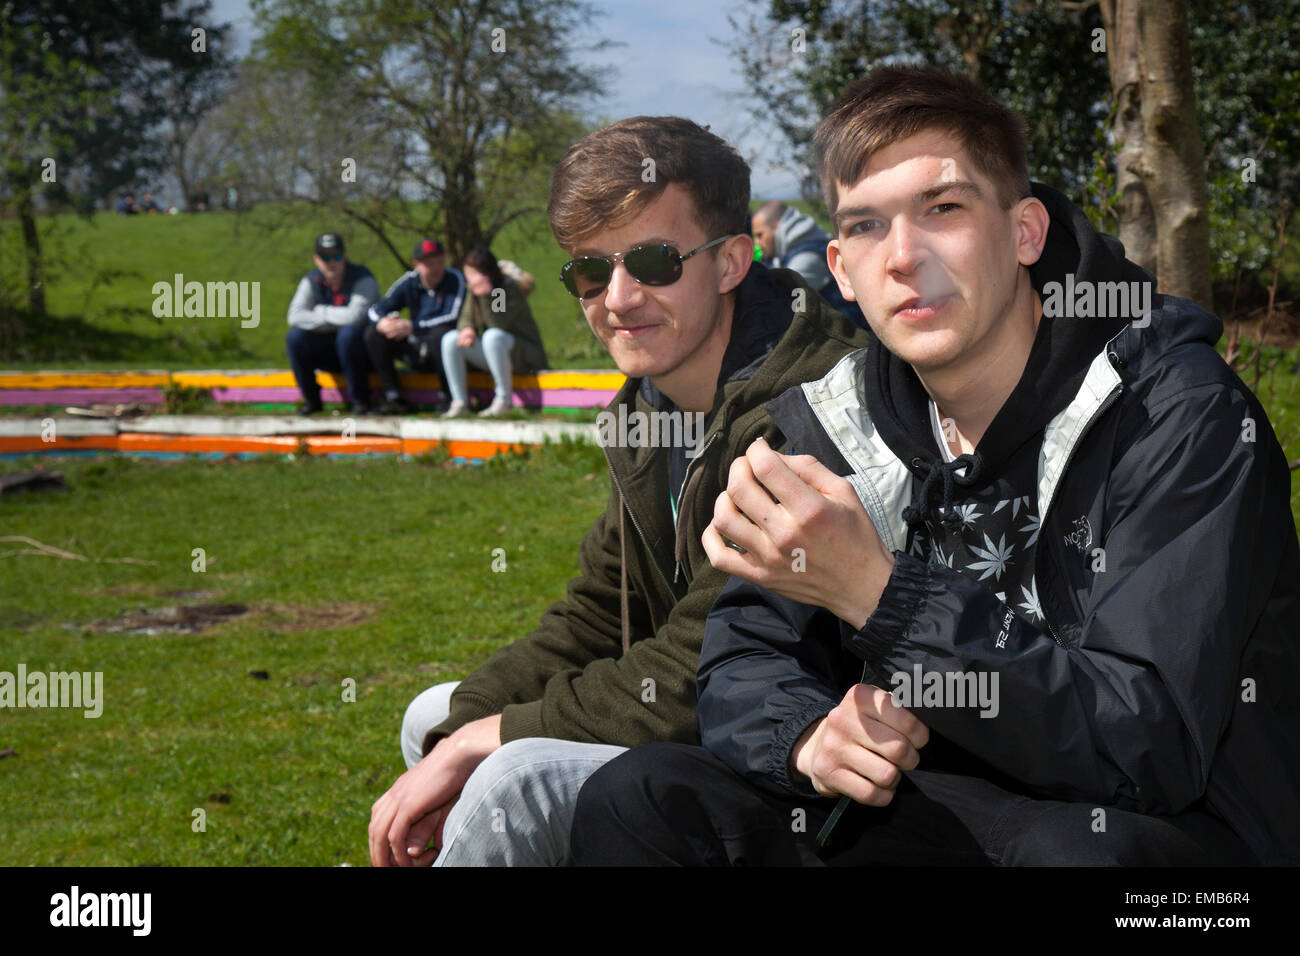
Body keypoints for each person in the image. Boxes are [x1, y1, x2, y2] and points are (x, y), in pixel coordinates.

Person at [571, 65, 1300, 867]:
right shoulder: (834, 422)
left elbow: (1148, 745)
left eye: (941, 210)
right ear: (841, 269)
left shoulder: (1176, 411)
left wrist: (879, 594)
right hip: (930, 814)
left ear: (1024, 231)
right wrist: (807, 735)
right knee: (644, 801)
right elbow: (743, 653)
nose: (902, 258)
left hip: (1164, 846)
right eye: (866, 227)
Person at [367, 115, 871, 867]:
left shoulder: (806, 411)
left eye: (654, 261)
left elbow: (698, 667)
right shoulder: (646, 408)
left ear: (732, 261)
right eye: (590, 272)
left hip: (794, 756)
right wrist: (467, 725)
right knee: (430, 719)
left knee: (511, 778)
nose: (620, 297)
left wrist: (492, 736)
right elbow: (598, 607)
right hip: (684, 716)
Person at [440, 246, 548, 418]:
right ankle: (460, 402)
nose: (469, 278)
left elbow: (498, 324)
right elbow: (465, 316)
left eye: (472, 273)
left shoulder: (503, 289)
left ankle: (504, 400)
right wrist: (467, 329)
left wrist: (486, 294)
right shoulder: (473, 288)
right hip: (499, 353)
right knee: (451, 339)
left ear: (486, 273)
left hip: (526, 355)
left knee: (492, 336)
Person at [364, 238, 466, 415]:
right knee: (373, 333)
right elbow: (376, 309)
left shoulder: (455, 279)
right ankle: (393, 397)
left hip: (444, 348)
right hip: (416, 347)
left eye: (439, 262)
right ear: (416, 264)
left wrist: (413, 326)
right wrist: (383, 323)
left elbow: (451, 316)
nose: (435, 268)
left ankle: (446, 396)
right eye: (429, 264)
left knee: (441, 335)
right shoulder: (408, 282)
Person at [285, 232, 379, 415]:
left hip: (361, 353)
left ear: (345, 256)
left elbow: (355, 317)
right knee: (295, 337)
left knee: (348, 334)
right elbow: (294, 316)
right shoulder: (311, 280)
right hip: (329, 351)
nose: (331, 262)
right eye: (325, 257)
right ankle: (311, 400)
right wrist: (332, 319)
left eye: (336, 255)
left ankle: (361, 400)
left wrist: (320, 311)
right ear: (316, 259)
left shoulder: (363, 278)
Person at [752, 199, 865, 327]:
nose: (757, 242)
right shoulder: (789, 251)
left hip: (851, 336)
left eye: (760, 235)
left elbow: (777, 301)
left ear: (777, 226)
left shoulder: (807, 257)